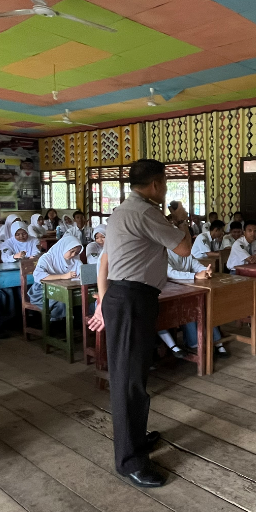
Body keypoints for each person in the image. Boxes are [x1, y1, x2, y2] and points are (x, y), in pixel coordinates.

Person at [89, 159, 192, 488]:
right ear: (157, 184)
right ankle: (130, 461)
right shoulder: (147, 213)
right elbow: (184, 247)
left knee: (133, 376)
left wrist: (104, 302)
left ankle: (134, 440)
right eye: (164, 183)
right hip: (132, 299)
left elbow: (105, 259)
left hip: (125, 298)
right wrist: (181, 220)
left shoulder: (122, 211)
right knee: (129, 382)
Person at [160, 252, 230, 359]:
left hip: (187, 289)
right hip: (170, 293)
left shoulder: (186, 253)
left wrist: (206, 271)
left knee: (205, 307)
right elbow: (170, 273)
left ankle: (217, 342)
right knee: (189, 310)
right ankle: (194, 342)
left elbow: (197, 266)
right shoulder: (165, 253)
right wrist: (195, 275)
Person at [29, 232, 81, 321]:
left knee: (81, 297)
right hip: (42, 290)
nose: (73, 255)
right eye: (71, 251)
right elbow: (39, 276)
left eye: (76, 252)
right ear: (64, 247)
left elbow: (81, 272)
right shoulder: (47, 258)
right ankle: (56, 324)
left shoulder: (75, 260)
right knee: (63, 301)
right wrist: (63, 276)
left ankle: (73, 323)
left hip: (64, 289)